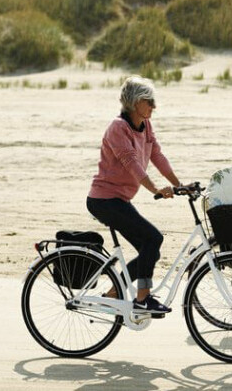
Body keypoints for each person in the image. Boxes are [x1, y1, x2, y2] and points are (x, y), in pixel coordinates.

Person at [87, 76, 181, 315]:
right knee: (153, 239)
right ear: (135, 102)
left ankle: (113, 294)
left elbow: (157, 156)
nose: (154, 106)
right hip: (104, 200)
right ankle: (142, 298)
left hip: (119, 200)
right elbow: (132, 165)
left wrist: (179, 185)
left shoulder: (145, 125)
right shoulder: (118, 128)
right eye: (149, 101)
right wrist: (156, 189)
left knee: (151, 248)